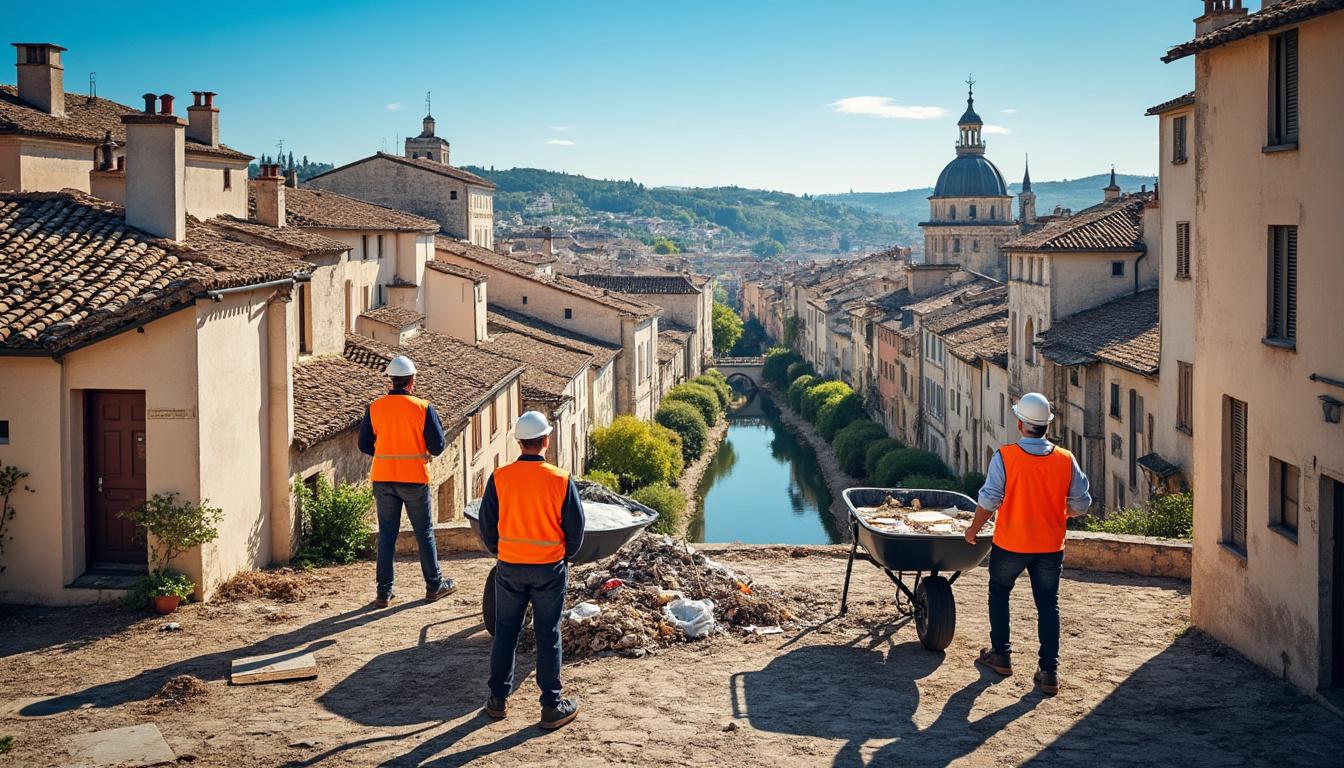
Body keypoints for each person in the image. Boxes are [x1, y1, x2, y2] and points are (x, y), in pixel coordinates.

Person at [964, 392, 1091, 695]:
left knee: (999, 593)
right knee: (1048, 606)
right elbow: (1081, 504)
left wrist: (973, 529)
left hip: (1011, 542)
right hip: (1050, 545)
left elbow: (990, 499)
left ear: (1020, 424)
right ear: (1046, 426)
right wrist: (1058, 513)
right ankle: (1049, 672)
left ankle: (1001, 656)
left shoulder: (1005, 457)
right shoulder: (1066, 459)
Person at [477, 411, 585, 730]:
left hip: (510, 567)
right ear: (546, 441)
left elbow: (486, 526)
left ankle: (497, 700)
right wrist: (564, 556)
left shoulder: (499, 477)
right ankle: (551, 705)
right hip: (549, 569)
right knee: (547, 634)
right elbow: (576, 530)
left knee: (506, 632)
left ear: (519, 443)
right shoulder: (560, 479)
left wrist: (503, 552)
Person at [358, 355, 456, 608]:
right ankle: (434, 585)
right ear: (412, 381)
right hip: (413, 478)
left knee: (387, 535)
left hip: (383, 477)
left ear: (390, 381)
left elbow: (364, 445)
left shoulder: (375, 407)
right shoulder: (423, 408)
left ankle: (383, 592)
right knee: (424, 533)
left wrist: (386, 451)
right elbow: (437, 446)